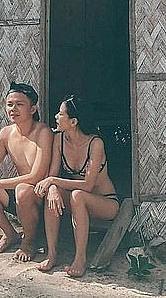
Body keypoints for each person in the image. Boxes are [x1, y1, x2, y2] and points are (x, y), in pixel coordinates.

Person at [0, 82, 54, 262]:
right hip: (20, 196)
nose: (13, 109)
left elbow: (37, 176)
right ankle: (10, 233)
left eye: (20, 104)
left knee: (23, 189)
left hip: (40, 197)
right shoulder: (6, 133)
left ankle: (29, 242)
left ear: (32, 109)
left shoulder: (43, 132)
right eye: (10, 104)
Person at [34, 94, 120, 277]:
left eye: (60, 113)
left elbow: (88, 185)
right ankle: (52, 253)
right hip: (77, 199)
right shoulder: (59, 139)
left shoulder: (95, 143)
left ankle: (80, 258)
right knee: (53, 192)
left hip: (105, 203)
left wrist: (53, 181)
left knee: (76, 195)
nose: (56, 116)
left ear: (73, 121)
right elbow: (53, 175)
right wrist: (52, 185)